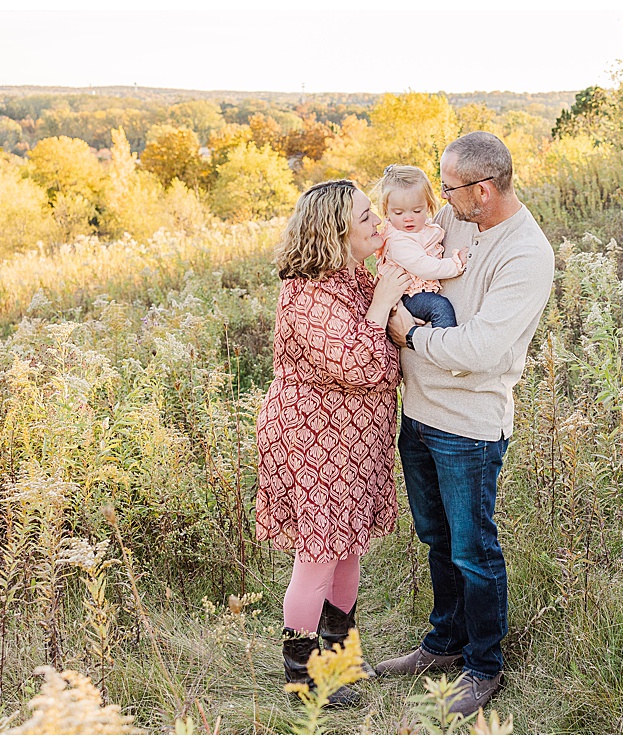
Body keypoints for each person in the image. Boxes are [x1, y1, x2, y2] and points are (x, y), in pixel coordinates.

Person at [376, 132, 555, 716]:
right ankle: (444, 643)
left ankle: (483, 666)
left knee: (474, 548)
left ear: (482, 190)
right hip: (419, 413)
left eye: (448, 189)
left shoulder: (525, 254)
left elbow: (481, 348)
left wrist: (409, 334)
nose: (441, 198)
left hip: (470, 426)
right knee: (438, 538)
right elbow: (406, 245)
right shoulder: (454, 221)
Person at [253, 179, 414, 705]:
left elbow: (390, 344)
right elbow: (365, 362)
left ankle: (340, 660)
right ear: (335, 230)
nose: (378, 222)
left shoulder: (352, 277)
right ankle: (300, 678)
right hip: (313, 437)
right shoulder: (309, 292)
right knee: (320, 554)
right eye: (367, 216)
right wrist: (385, 302)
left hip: (356, 436)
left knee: (348, 549)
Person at [372, 165, 468, 329]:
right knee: (439, 307)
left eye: (416, 211)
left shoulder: (423, 228)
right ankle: (442, 345)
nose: (408, 218)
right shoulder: (398, 241)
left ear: (428, 205)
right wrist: (455, 264)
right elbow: (424, 267)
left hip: (415, 292)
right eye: (398, 213)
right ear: (386, 209)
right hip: (406, 296)